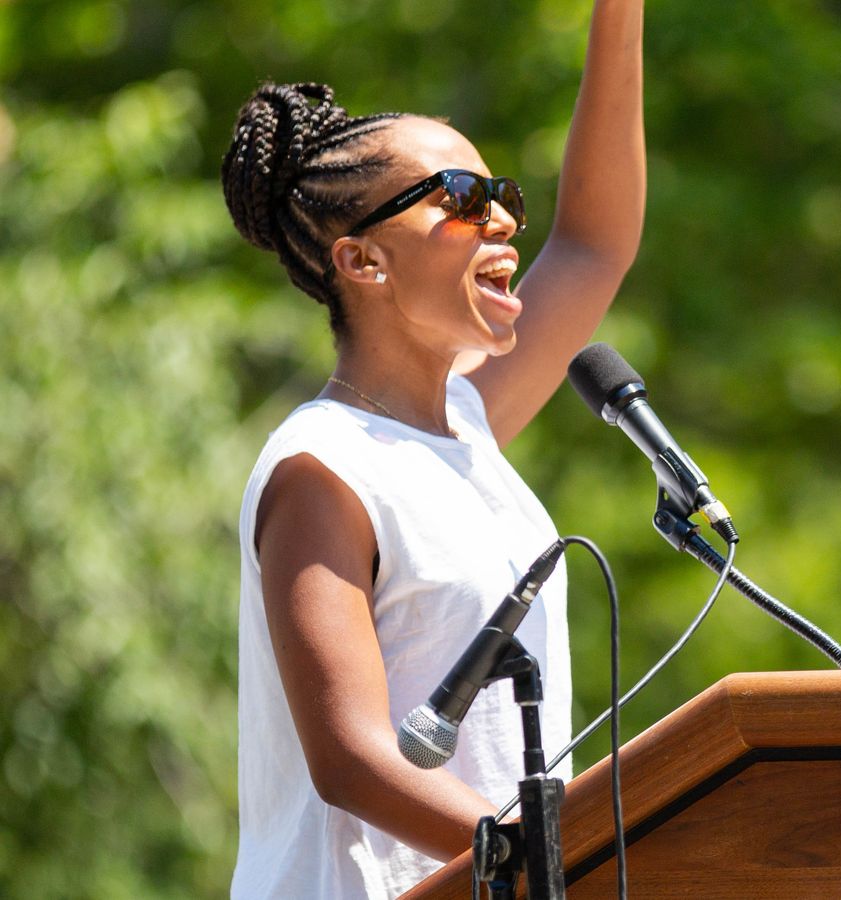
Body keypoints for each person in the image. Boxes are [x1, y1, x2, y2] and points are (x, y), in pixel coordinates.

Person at [218, 2, 643, 896]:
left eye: (504, 197)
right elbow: (352, 757)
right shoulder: (322, 469)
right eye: (461, 197)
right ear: (363, 263)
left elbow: (594, 244)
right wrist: (554, 858)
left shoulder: (467, 428)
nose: (501, 221)